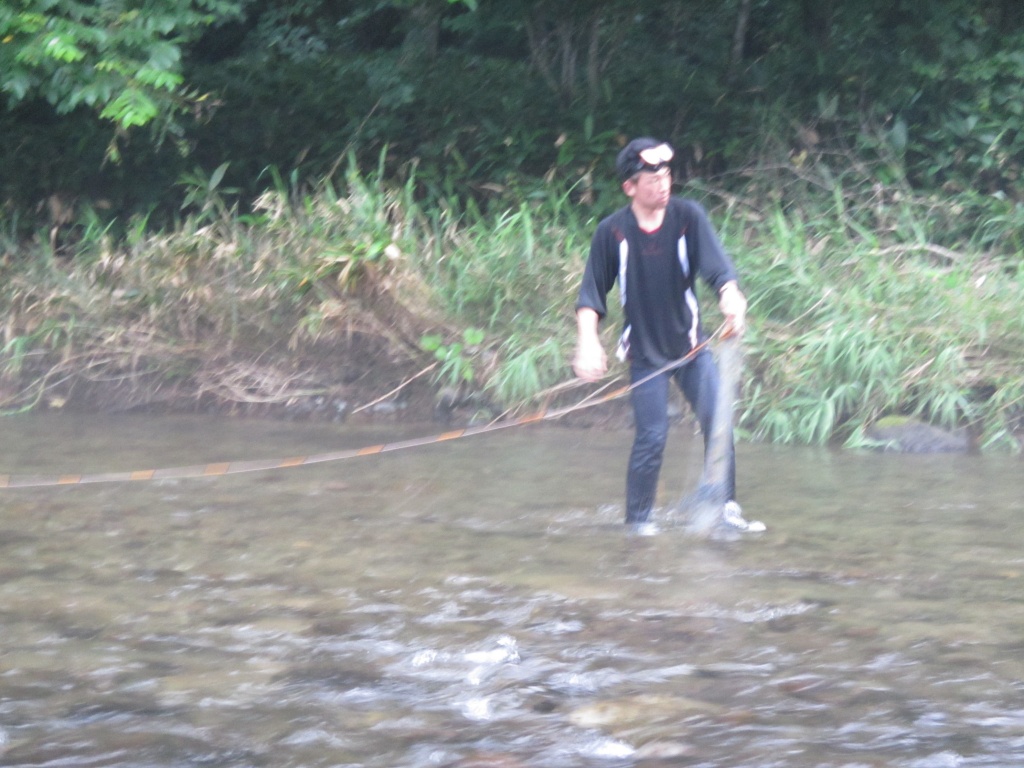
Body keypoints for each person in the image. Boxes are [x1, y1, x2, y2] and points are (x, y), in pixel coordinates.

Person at [573, 136, 764, 534]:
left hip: (692, 348)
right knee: (652, 436)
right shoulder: (613, 234)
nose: (663, 184)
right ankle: (638, 524)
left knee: (718, 424)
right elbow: (591, 296)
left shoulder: (687, 218)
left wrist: (732, 298)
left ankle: (725, 508)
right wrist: (587, 341)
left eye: (666, 175)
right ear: (630, 187)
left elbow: (719, 272)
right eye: (651, 178)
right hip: (645, 355)